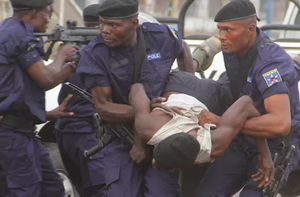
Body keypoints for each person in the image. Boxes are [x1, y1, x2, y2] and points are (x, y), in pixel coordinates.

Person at [75, 0, 221, 196]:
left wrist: (185, 96)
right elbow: (104, 107)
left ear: (134, 23)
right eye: (102, 23)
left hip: (166, 135)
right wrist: (147, 111)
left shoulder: (160, 36)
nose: (104, 30)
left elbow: (182, 48)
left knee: (162, 192)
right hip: (121, 139)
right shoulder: (96, 54)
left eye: (113, 25)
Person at [192, 1, 300, 196]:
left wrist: (222, 122)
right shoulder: (234, 50)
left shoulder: (270, 63)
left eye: (228, 30)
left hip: (277, 143)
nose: (221, 37)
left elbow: (280, 124)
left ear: (250, 29)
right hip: (244, 139)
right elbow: (248, 103)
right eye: (220, 30)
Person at [128, 75, 274, 186]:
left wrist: (265, 155)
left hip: (208, 95)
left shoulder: (214, 145)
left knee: (237, 81)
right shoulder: (147, 127)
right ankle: (206, 52)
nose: (153, 162)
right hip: (179, 83)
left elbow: (246, 103)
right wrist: (151, 103)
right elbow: (136, 87)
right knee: (227, 84)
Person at [0, 0, 78, 196]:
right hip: (12, 135)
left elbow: (14, 88)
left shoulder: (9, 30)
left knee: (51, 186)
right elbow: (46, 79)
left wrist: (44, 114)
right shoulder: (18, 36)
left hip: (22, 131)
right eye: (47, 13)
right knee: (25, 191)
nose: (49, 18)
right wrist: (64, 57)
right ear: (34, 13)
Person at [55, 4, 105, 197]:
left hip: (69, 131)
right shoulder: (96, 53)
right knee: (101, 190)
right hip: (85, 132)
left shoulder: (78, 52)